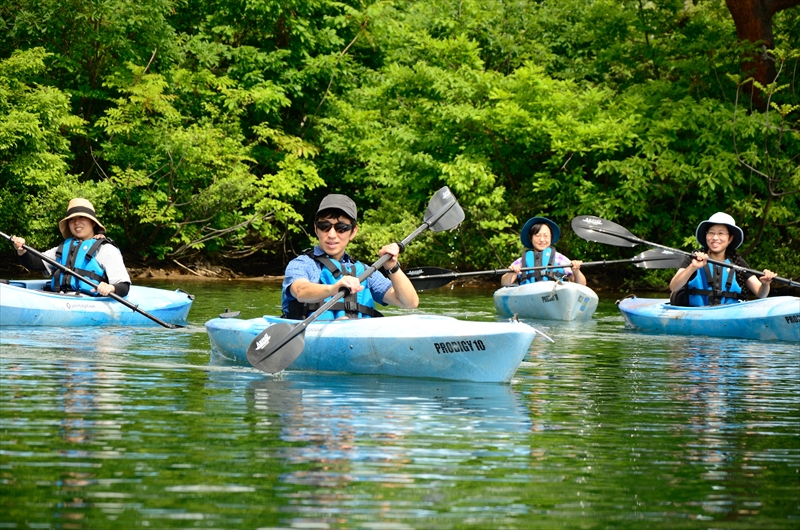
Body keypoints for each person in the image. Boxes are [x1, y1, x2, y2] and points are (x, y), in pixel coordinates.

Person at [281, 194, 419, 320]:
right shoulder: (302, 264)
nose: (332, 234)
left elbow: (409, 302)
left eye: (341, 228)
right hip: (313, 336)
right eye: (325, 226)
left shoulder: (365, 272)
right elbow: (300, 290)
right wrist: (333, 288)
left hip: (357, 338)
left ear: (353, 232)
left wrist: (392, 267)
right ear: (316, 228)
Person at [11, 198, 131, 297]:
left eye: (81, 217)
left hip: (89, 302)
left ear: (93, 222)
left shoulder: (106, 249)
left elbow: (124, 286)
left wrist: (110, 287)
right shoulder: (64, 248)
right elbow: (35, 263)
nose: (76, 222)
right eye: (72, 219)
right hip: (61, 297)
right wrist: (22, 250)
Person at [668, 212, 776, 306]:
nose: (715, 238)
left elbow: (761, 294)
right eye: (711, 232)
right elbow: (674, 287)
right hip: (697, 315)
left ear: (730, 238)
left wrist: (766, 284)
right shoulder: (695, 259)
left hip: (729, 316)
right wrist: (692, 267)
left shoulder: (737, 262)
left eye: (721, 233)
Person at [500, 216, 586, 287]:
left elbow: (581, 284)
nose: (542, 239)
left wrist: (576, 271)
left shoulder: (559, 258)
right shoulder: (521, 261)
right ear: (531, 237)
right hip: (529, 296)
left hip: (555, 293)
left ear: (551, 237)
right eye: (537, 235)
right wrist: (511, 273)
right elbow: (505, 283)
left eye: (546, 236)